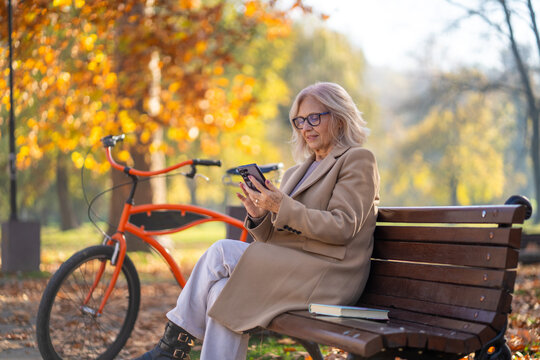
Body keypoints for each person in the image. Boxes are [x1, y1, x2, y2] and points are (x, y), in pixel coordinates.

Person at [135, 82, 380, 360]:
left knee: (221, 251)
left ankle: (172, 347)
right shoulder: (296, 172)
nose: (306, 127)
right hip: (296, 269)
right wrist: (260, 216)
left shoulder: (357, 160)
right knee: (220, 291)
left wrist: (281, 205)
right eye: (299, 121)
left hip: (329, 277)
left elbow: (343, 227)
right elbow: (277, 240)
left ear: (338, 117)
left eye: (314, 117)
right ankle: (174, 348)